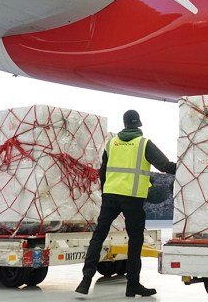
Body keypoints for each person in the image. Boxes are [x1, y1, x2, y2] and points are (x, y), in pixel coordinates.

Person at [76, 109, 176, 297]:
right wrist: (185, 168)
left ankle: (85, 280)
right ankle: (132, 286)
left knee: (98, 236)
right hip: (132, 198)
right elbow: (165, 166)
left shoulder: (111, 143)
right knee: (135, 240)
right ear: (138, 124)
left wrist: (106, 192)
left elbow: (102, 171)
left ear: (124, 124)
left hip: (111, 196)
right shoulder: (144, 143)